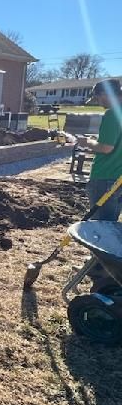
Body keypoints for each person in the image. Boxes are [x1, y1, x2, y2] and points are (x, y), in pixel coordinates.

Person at [78, 79, 122, 290]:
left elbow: (105, 148)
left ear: (106, 95)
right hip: (118, 178)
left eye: (98, 97)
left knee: (100, 226)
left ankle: (100, 274)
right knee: (109, 223)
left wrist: (86, 142)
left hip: (105, 177)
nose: (97, 101)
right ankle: (100, 266)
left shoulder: (112, 114)